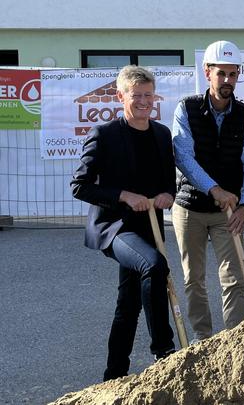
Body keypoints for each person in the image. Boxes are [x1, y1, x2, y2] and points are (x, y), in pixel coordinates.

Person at [71, 65, 176, 381]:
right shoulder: (104, 135)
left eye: (148, 95)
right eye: (136, 95)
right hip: (116, 227)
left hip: (149, 227)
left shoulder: (161, 133)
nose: (144, 102)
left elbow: (169, 185)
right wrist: (123, 196)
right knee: (155, 267)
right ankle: (164, 350)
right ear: (120, 96)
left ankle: (114, 375)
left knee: (128, 305)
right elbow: (80, 185)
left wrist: (167, 196)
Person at [171, 40, 244, 341]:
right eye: (220, 73)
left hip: (229, 212)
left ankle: (233, 340)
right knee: (193, 278)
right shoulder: (187, 108)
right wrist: (215, 189)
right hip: (190, 207)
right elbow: (184, 156)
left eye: (232, 74)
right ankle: (203, 338)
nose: (227, 81)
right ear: (207, 72)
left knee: (234, 277)